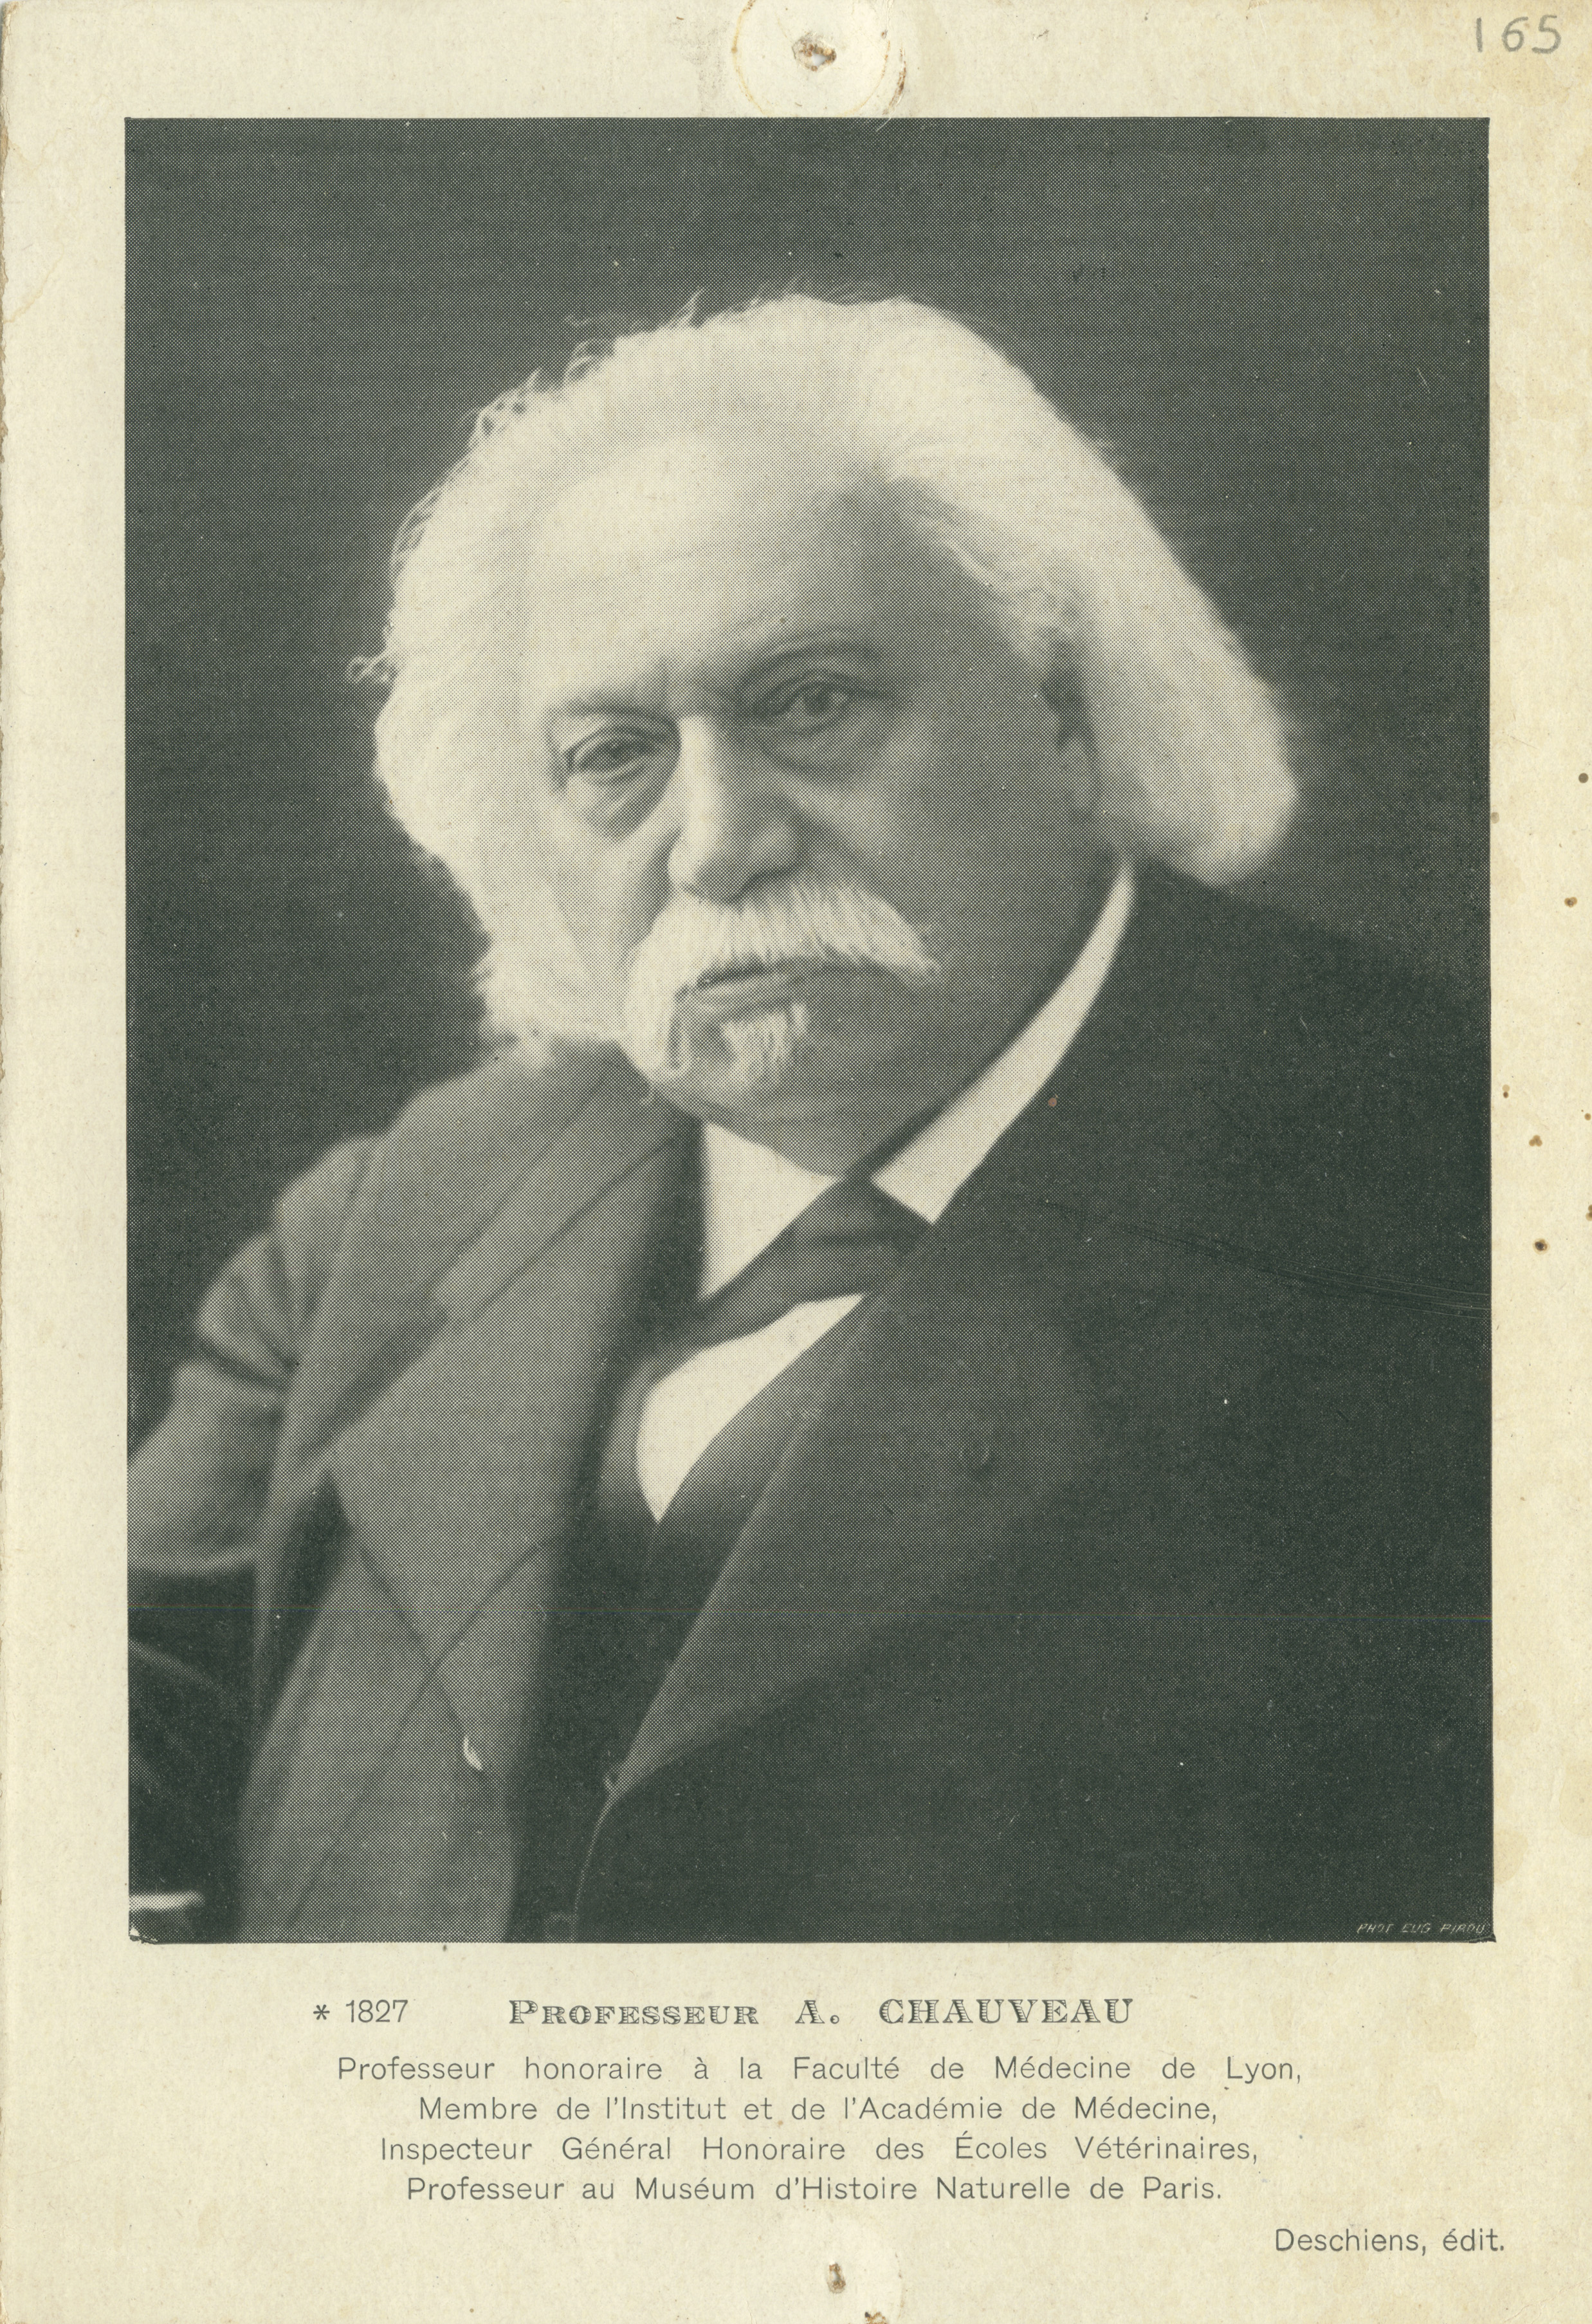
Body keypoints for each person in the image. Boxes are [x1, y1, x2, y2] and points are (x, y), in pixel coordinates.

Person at [129, 293, 1489, 1944]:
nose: (716, 842)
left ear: (1061, 715)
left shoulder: (1450, 1216)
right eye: (613, 754)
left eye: (809, 704)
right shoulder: (387, 1223)